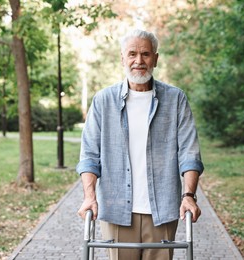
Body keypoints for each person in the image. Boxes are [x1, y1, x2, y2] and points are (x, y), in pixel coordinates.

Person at [77, 29, 204, 260]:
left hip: (163, 210)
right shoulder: (103, 101)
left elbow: (189, 153)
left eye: (145, 54)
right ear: (122, 58)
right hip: (117, 210)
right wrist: (89, 196)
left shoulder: (176, 99)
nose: (139, 61)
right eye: (132, 54)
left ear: (155, 58)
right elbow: (89, 156)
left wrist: (188, 195)